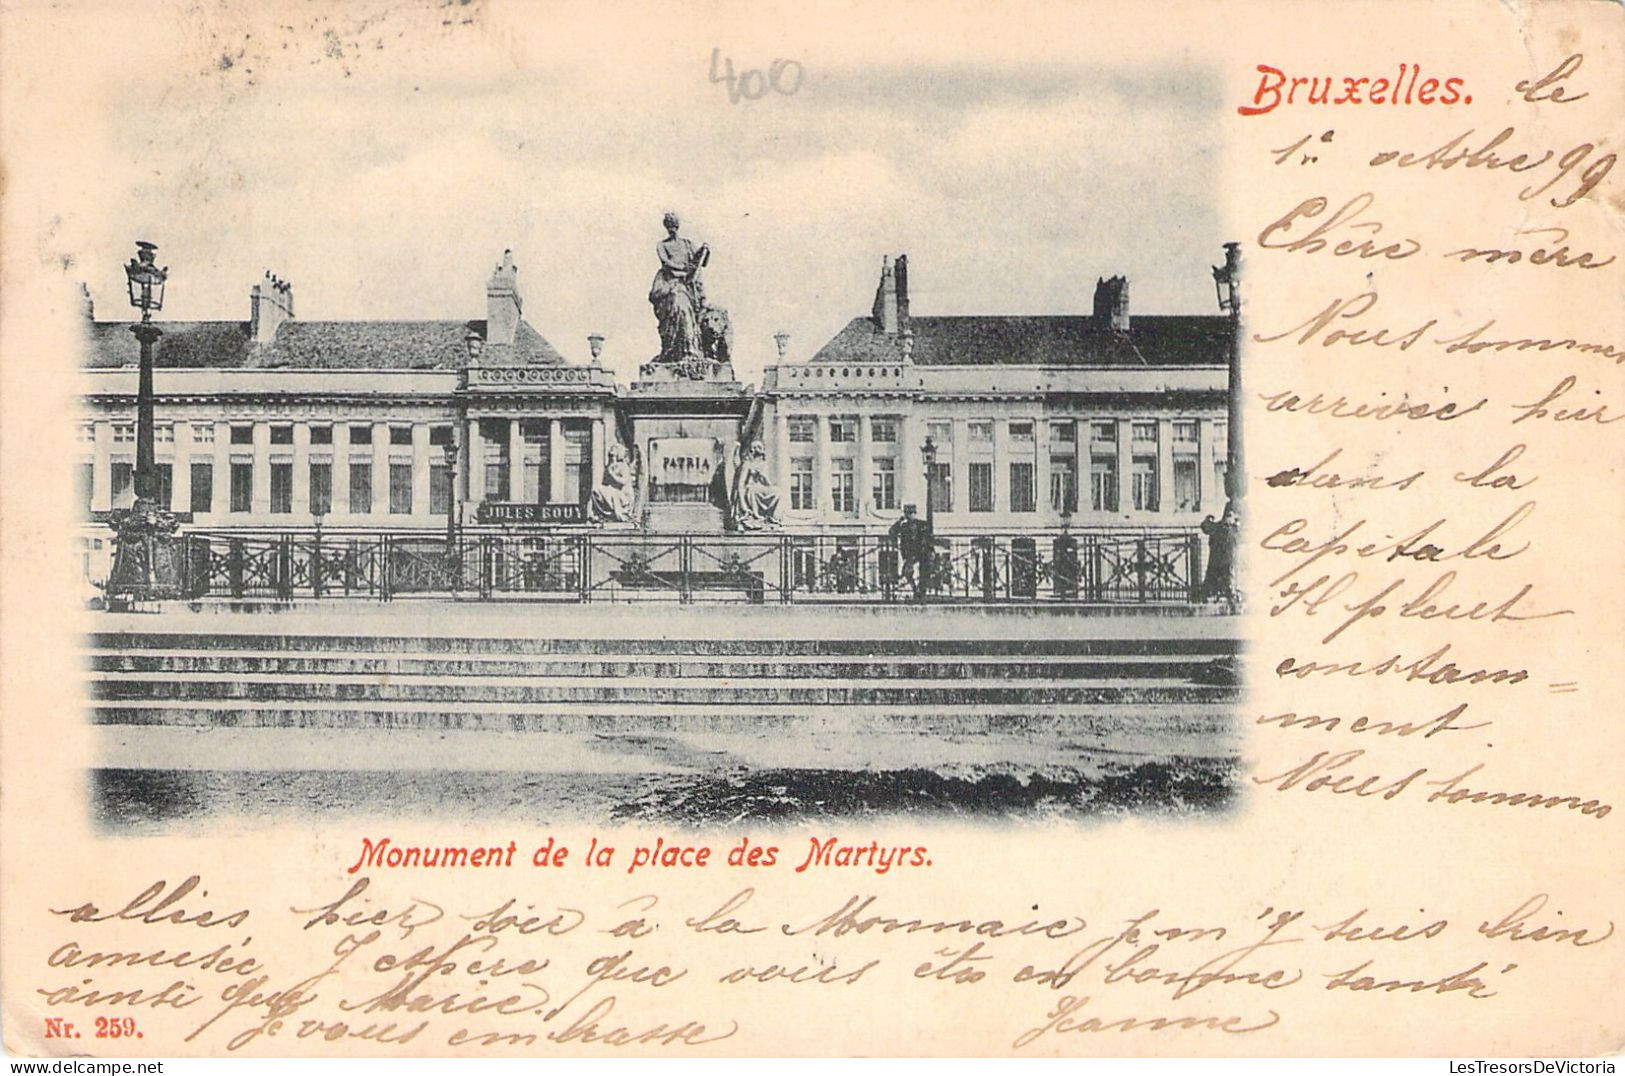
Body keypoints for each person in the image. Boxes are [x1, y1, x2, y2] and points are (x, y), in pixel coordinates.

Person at [648, 212, 707, 365]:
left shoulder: (687, 244)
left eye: (674, 226)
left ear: (678, 226)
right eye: (669, 226)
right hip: (670, 282)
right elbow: (666, 263)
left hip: (687, 285)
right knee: (678, 305)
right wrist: (683, 269)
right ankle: (673, 350)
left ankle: (690, 350)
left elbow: (701, 262)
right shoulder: (662, 245)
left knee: (686, 310)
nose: (672, 229)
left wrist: (705, 251)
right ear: (666, 227)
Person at [730, 441, 781, 529]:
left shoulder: (763, 465)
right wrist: (743, 504)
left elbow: (769, 484)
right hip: (750, 489)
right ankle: (756, 516)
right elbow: (740, 484)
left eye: (760, 447)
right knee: (753, 489)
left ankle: (770, 515)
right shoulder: (747, 464)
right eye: (756, 447)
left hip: (761, 488)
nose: (759, 450)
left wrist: (763, 476)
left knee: (777, 491)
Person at [889, 504, 932, 599]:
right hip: (909, 554)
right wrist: (899, 521)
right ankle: (915, 590)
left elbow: (927, 539)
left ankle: (922, 591)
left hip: (922, 553)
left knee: (924, 573)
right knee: (907, 572)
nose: (909, 516)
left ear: (914, 514)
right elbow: (892, 531)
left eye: (911, 513)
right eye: (907, 514)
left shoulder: (922, 524)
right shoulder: (904, 526)